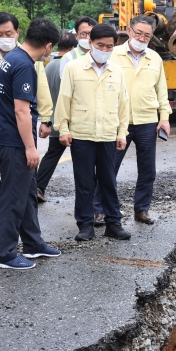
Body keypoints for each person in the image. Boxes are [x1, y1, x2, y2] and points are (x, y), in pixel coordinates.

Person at [0, 12, 53, 238]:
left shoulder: (29, 58)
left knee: (27, 178)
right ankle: (0, 218)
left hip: (22, 124)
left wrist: (46, 119)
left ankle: (28, 233)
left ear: (17, 32)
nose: (4, 37)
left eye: (8, 33)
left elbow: (41, 89)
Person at [0, 18, 61, 269]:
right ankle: (6, 254)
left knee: (28, 193)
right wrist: (31, 148)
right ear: (48, 46)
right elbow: (21, 112)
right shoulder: (23, 65)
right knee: (13, 197)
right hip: (13, 143)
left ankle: (33, 244)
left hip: (8, 137)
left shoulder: (11, 58)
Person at [55, 24, 131, 241]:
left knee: (109, 181)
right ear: (90, 43)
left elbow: (123, 104)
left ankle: (113, 224)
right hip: (81, 135)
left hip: (108, 135)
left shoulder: (116, 71)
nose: (105, 50)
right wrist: (64, 129)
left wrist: (121, 133)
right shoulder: (73, 68)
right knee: (84, 182)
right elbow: (64, 100)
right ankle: (85, 225)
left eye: (109, 47)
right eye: (100, 45)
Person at [110, 15, 172, 225]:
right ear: (129, 31)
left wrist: (164, 118)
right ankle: (101, 210)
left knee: (148, 170)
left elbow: (161, 92)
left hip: (147, 121)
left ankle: (142, 210)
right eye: (138, 33)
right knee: (109, 168)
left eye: (147, 35)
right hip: (120, 122)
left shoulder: (155, 58)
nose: (142, 37)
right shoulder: (113, 55)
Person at [36, 32, 77, 203]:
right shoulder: (70, 66)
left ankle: (38, 186)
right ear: (74, 48)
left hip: (52, 120)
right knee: (82, 159)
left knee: (51, 155)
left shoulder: (48, 66)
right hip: (69, 120)